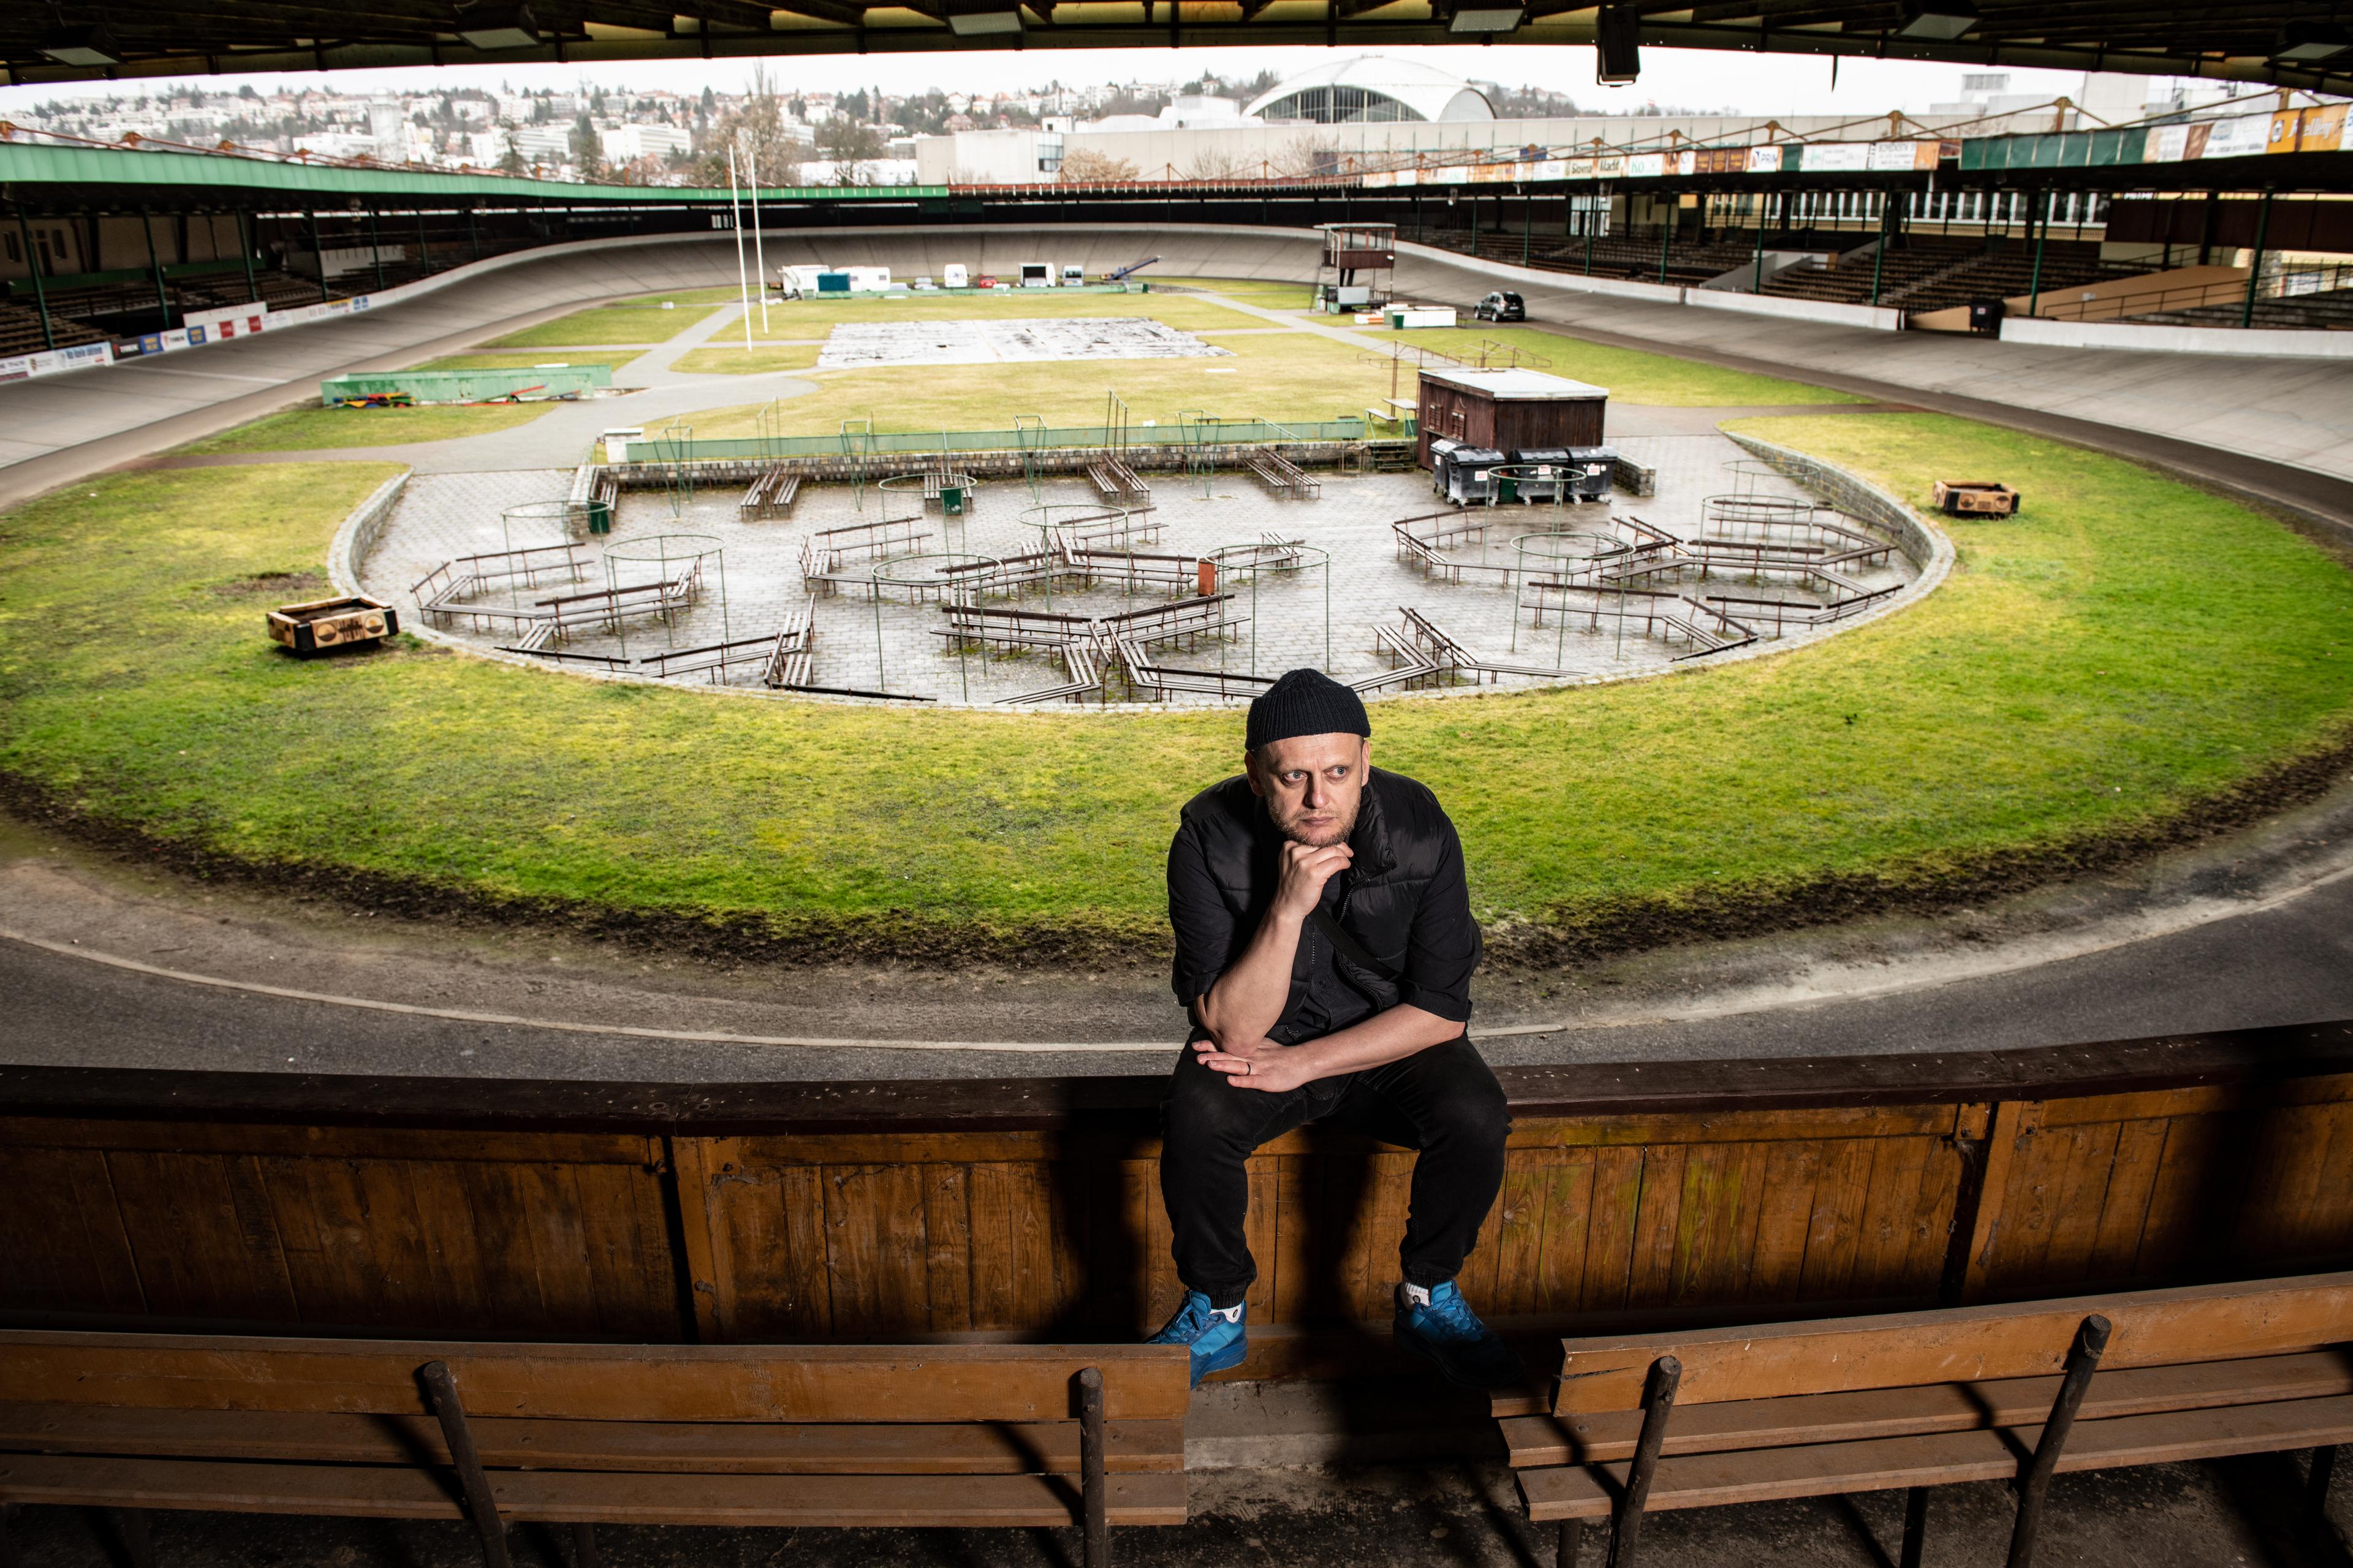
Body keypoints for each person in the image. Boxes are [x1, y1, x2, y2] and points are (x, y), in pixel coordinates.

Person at [1148, 667, 1517, 1390]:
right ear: (1256, 776)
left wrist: (1307, 1064)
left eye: (1339, 771)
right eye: (1294, 778)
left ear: (1366, 765)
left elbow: (1441, 1011)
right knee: (1196, 1115)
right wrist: (1287, 908)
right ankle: (1218, 1309)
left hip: (1393, 1038)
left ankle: (1427, 1294)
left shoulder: (1421, 827)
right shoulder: (1206, 837)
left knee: (1478, 1116)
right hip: (1265, 1041)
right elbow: (1230, 1029)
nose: (1320, 798)